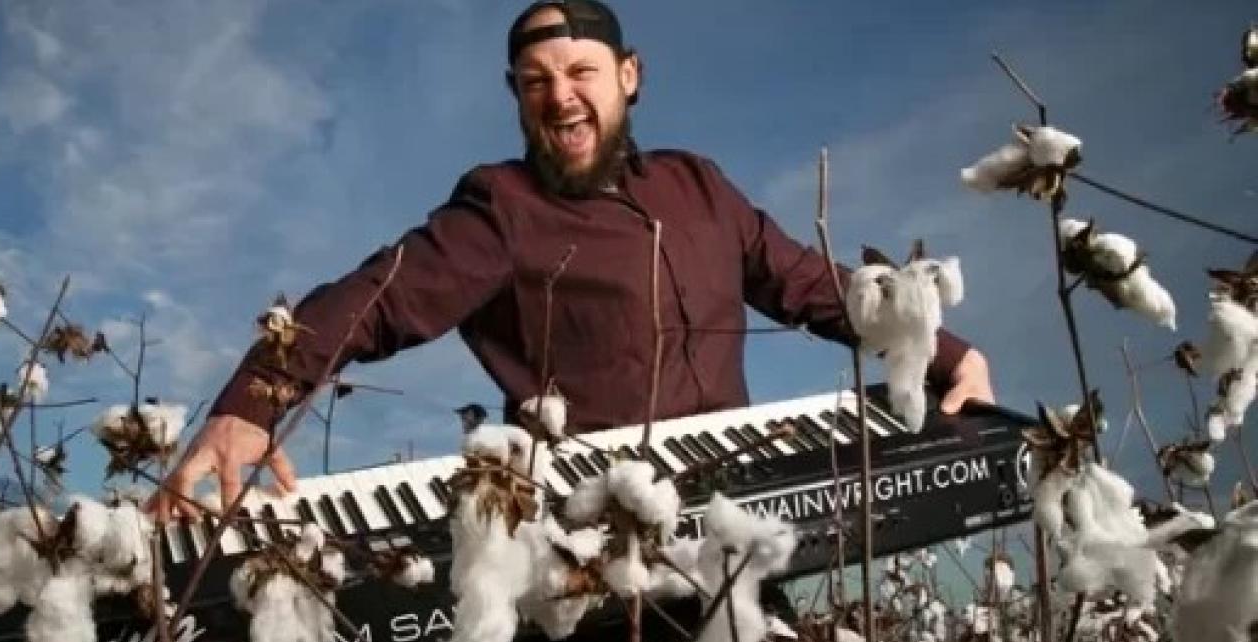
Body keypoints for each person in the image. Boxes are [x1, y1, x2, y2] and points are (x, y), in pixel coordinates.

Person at [147, 0, 993, 520]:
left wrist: (945, 350)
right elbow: (379, 296)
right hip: (583, 534)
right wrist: (255, 399)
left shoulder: (701, 186)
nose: (560, 95)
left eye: (581, 70)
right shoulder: (500, 209)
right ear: (518, 97)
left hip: (734, 515)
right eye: (534, 81)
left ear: (629, 76)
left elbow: (813, 286)